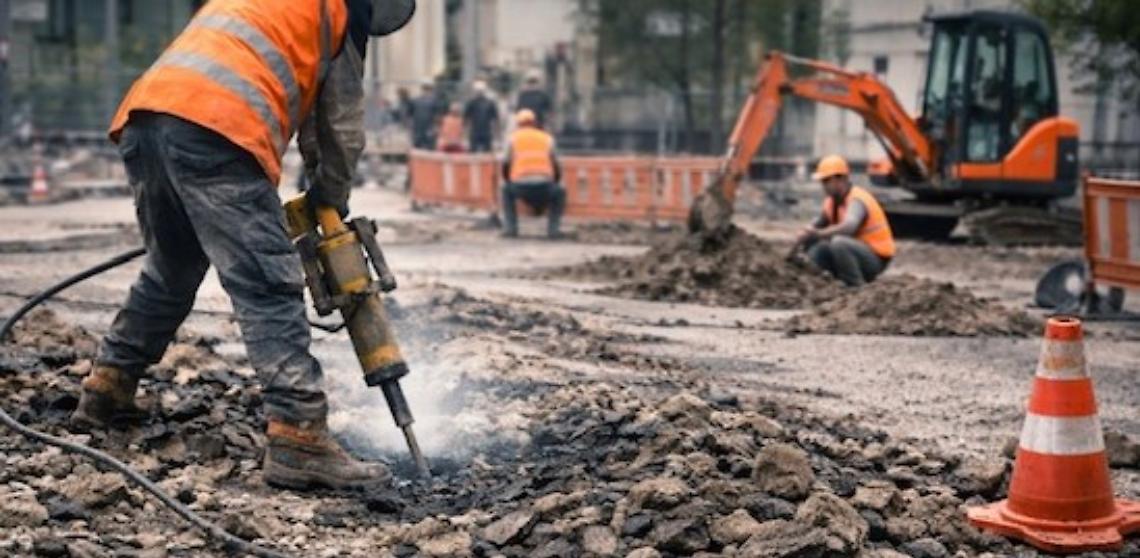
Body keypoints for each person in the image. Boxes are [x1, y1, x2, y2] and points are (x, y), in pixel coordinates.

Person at [69, 0, 417, 491]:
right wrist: (329, 201)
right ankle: (300, 436)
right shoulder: (338, 13)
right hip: (217, 126)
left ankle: (108, 386)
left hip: (147, 117)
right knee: (268, 283)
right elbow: (338, 129)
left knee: (171, 267)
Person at [797, 155, 896, 287]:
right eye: (823, 181)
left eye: (826, 180)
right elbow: (814, 229)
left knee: (839, 242)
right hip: (854, 253)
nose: (823, 185)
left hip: (875, 259)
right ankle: (817, 283)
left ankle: (856, 286)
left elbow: (849, 226)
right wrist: (803, 240)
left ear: (841, 179)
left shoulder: (857, 199)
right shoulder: (832, 202)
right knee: (820, 247)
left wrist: (820, 233)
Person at [500, 109, 565, 239]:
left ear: (518, 124)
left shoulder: (513, 139)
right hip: (545, 184)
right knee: (560, 193)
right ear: (534, 122)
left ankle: (511, 229)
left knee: (505, 190)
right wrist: (555, 182)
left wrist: (508, 180)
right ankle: (553, 230)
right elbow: (557, 164)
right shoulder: (547, 138)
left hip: (520, 185)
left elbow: (505, 163)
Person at [463, 80, 499, 152]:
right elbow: (466, 117)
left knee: (477, 152)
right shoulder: (473, 102)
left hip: (480, 131)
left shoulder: (472, 102)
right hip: (481, 131)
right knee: (482, 152)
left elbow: (466, 117)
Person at [410, 82, 443, 149]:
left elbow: (438, 114)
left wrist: (436, 125)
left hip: (424, 125)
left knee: (422, 143)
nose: (426, 92)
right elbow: (438, 114)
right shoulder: (417, 100)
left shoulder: (417, 100)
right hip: (423, 125)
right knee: (424, 143)